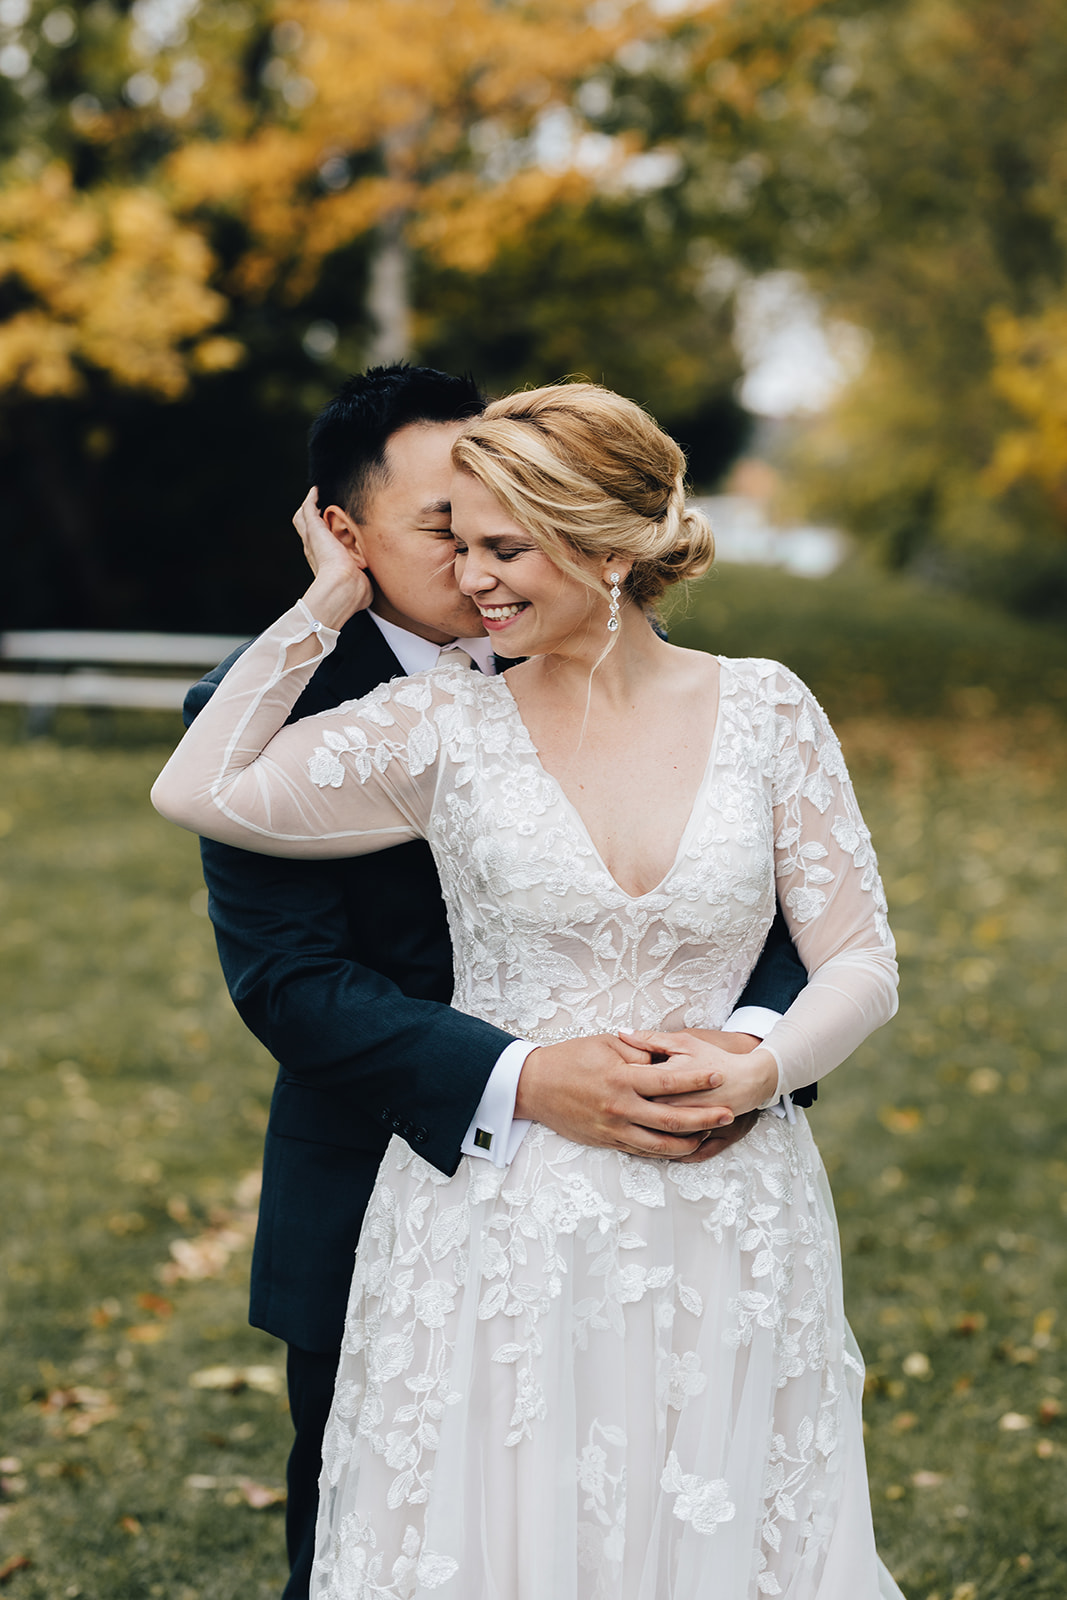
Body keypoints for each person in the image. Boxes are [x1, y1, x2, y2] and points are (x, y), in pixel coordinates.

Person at [155, 380, 899, 1598]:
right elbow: (204, 802)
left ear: (602, 549)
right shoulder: (435, 719)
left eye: (499, 542)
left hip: (722, 1210)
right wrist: (321, 603)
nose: (472, 573)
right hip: (486, 1210)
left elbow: (852, 953)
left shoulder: (766, 706)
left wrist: (760, 1063)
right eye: (450, 537)